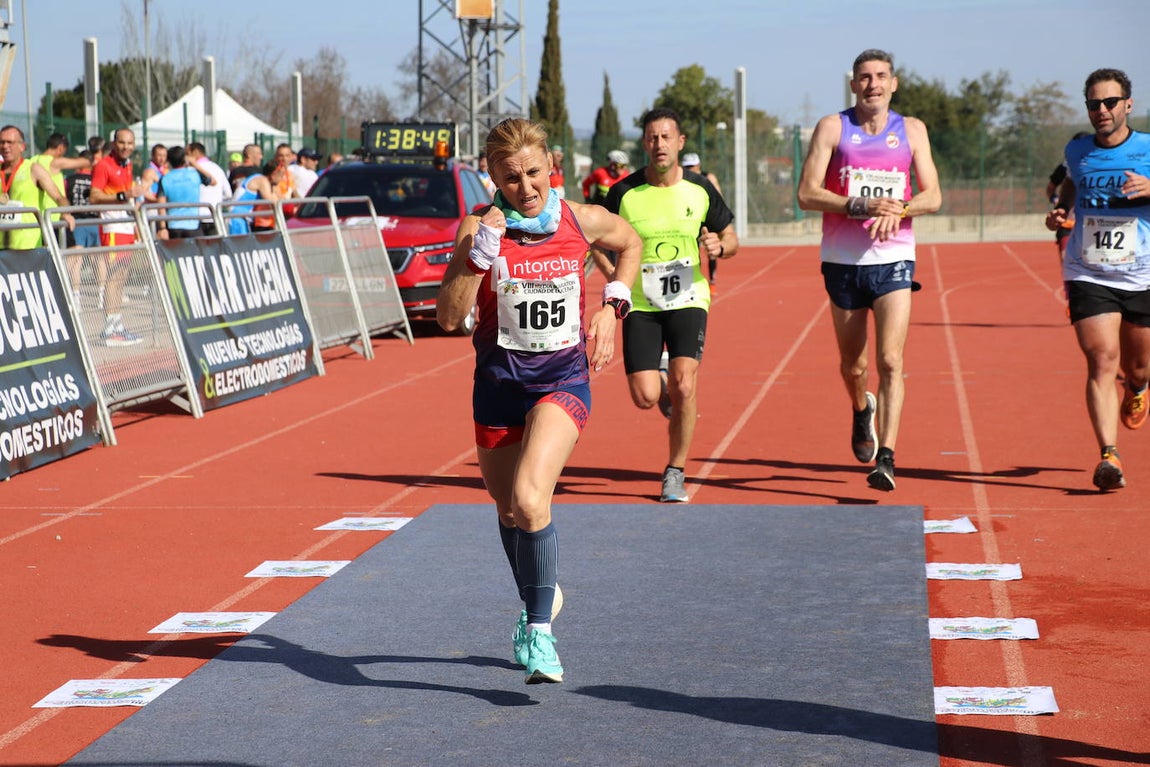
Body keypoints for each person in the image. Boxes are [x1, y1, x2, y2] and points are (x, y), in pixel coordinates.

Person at [435, 117, 641, 685]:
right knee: (509, 511)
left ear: (551, 165)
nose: (526, 188)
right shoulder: (478, 227)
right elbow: (449, 318)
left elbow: (630, 243)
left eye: (533, 172)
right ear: (492, 179)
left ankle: (539, 632)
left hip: (562, 378)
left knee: (530, 498)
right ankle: (541, 597)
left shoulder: (579, 217)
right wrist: (477, 257)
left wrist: (612, 308)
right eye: (510, 178)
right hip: (498, 384)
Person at [797, 48, 942, 492]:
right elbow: (806, 193)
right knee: (853, 365)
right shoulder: (832, 127)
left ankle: (887, 458)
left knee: (891, 360)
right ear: (853, 84)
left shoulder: (912, 130)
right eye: (865, 77)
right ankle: (862, 409)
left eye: (881, 76)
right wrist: (858, 205)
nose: (873, 84)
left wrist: (898, 208)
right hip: (843, 261)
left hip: (894, 259)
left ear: (893, 83)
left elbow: (933, 196)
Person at [604, 107, 739, 503]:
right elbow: (597, 239)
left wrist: (720, 246)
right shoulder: (624, 193)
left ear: (680, 143)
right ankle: (663, 388)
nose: (659, 144)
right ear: (643, 143)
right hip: (642, 303)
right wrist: (615, 278)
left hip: (689, 297)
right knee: (645, 396)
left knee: (685, 382)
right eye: (652, 137)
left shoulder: (699, 190)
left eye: (667, 137)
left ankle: (675, 471)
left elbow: (730, 239)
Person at [1045, 68, 1150, 491]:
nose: (1101, 111)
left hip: (1141, 271)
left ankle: (1139, 387)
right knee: (1101, 359)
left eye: (1109, 103)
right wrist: (1061, 212)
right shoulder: (1078, 149)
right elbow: (1070, 185)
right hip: (1088, 269)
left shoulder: (1147, 148)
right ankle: (1109, 455)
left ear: (1128, 104)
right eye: (1094, 104)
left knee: (1137, 365)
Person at [89, 126, 149, 347]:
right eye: (122, 143)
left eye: (130, 143)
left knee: (121, 277)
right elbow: (93, 197)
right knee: (113, 277)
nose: (126, 147)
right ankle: (109, 329)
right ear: (114, 143)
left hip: (126, 226)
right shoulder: (104, 165)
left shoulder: (128, 164)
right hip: (112, 227)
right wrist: (123, 195)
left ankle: (117, 324)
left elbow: (128, 198)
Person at [0, 125, 75, 250]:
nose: (5, 146)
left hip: (28, 247)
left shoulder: (33, 169)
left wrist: (65, 213)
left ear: (22, 146)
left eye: (10, 142)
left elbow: (59, 197)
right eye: (2, 142)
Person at [64, 137, 108, 306]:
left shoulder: (70, 179)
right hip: (95, 221)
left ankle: (76, 296)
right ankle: (102, 295)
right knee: (99, 260)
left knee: (75, 260)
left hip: (76, 222)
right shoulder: (97, 180)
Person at [1045, 132, 1093, 268]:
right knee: (1067, 262)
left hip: (1089, 223)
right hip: (1067, 223)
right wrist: (1056, 200)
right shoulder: (1065, 167)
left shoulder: (1098, 166)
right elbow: (1050, 188)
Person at [154, 145, 216, 239]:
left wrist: (162, 228)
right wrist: (195, 164)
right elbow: (213, 181)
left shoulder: (165, 179)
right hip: (193, 225)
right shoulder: (194, 174)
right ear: (184, 159)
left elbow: (161, 206)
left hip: (173, 225)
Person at [681, 152, 724, 287]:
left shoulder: (708, 177)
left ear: (698, 165)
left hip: (706, 218)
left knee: (711, 250)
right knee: (692, 250)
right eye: (686, 167)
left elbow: (718, 198)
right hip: (689, 218)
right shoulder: (680, 179)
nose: (689, 169)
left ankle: (712, 280)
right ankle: (693, 278)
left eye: (692, 166)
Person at [186, 142, 230, 235]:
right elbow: (228, 194)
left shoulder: (190, 170)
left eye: (187, 153)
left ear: (195, 152)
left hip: (194, 219)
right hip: (214, 215)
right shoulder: (217, 168)